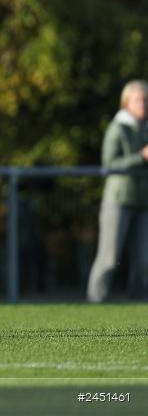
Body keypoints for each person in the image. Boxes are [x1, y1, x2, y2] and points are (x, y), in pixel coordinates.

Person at [87, 79, 148, 302]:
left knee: (144, 262)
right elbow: (109, 164)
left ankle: (138, 305)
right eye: (138, 100)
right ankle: (95, 301)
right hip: (119, 200)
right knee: (109, 258)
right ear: (126, 103)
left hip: (143, 201)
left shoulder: (146, 129)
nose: (143, 104)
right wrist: (140, 157)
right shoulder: (117, 128)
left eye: (146, 100)